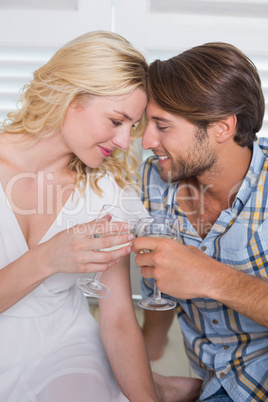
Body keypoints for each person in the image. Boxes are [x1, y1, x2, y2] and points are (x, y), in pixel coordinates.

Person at [0, 30, 158, 402]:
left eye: (132, 127)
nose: (124, 141)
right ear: (71, 97)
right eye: (117, 120)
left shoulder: (106, 190)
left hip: (63, 346)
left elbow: (118, 319)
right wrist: (49, 257)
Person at [132, 42, 268, 402]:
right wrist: (141, 371)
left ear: (222, 127)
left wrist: (208, 276)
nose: (146, 141)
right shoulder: (156, 179)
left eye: (162, 126)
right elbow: (159, 289)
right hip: (213, 383)